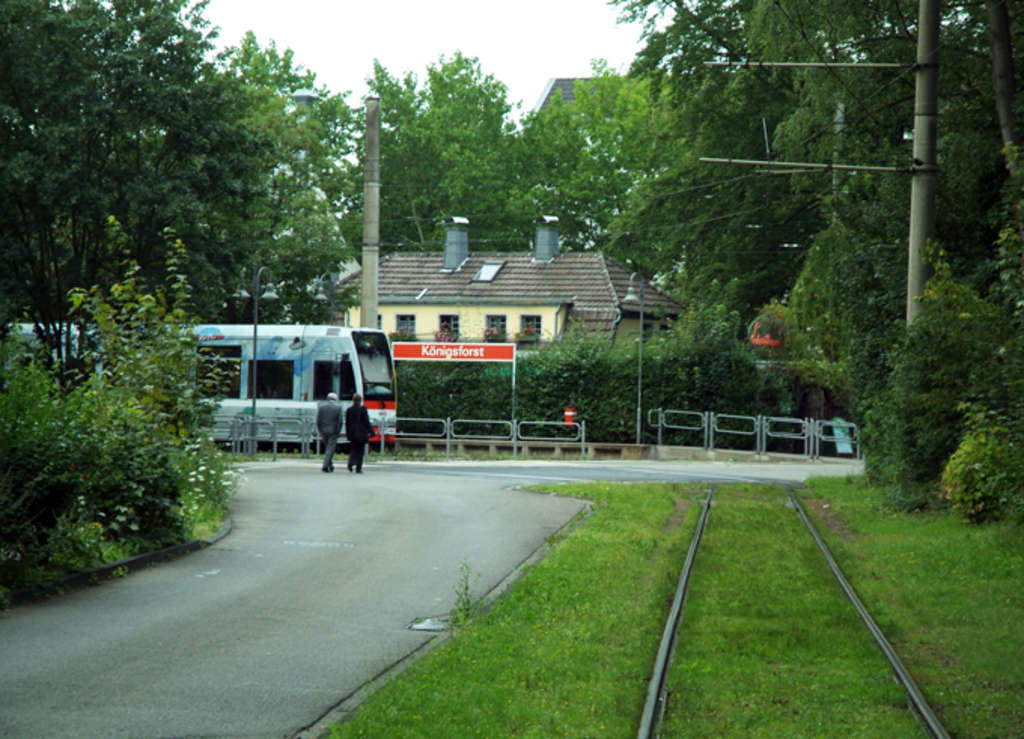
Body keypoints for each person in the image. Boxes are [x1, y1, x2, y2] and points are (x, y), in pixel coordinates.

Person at [344, 392, 373, 473]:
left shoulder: (349, 410)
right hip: (361, 433)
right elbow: (366, 421)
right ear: (360, 400)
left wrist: (348, 433)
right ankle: (358, 468)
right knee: (360, 451)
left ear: (353, 400)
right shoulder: (363, 409)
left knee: (353, 449)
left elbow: (347, 423)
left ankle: (350, 463)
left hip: (352, 433)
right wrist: (371, 432)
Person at [316, 392, 342, 472]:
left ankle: (330, 465)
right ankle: (325, 465)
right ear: (335, 399)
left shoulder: (322, 407)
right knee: (330, 449)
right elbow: (340, 421)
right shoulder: (338, 408)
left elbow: (318, 420)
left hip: (323, 431)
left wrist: (320, 429)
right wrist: (338, 431)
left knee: (328, 449)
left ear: (328, 398)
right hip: (333, 431)